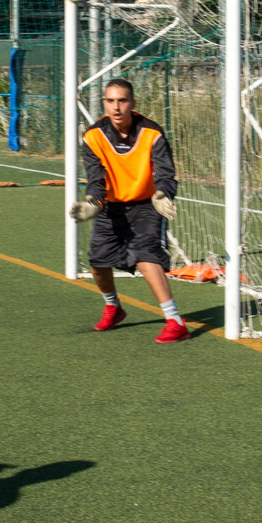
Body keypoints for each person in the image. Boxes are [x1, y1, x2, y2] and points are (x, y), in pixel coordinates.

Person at [68, 77, 190, 344]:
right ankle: (114, 307)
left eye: (122, 100)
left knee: (146, 256)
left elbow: (166, 174)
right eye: (111, 101)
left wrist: (162, 195)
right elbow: (96, 179)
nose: (116, 107)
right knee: (97, 262)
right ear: (104, 103)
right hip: (111, 206)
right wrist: (94, 204)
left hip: (147, 205)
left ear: (132, 103)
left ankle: (175, 322)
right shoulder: (93, 136)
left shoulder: (152, 133)